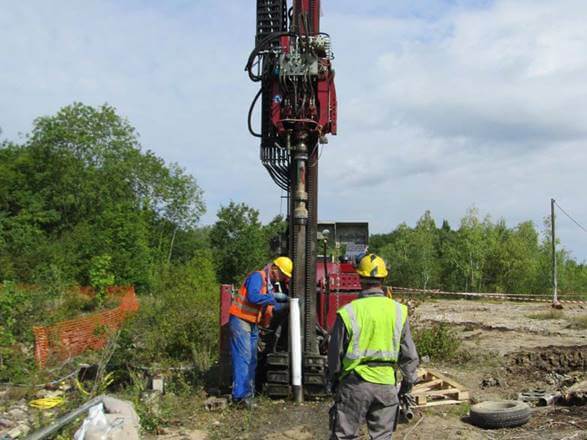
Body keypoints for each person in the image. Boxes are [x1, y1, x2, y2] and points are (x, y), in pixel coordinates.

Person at [328, 254, 419, 439]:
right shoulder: (398, 311)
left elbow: (335, 355)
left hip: (355, 385)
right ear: (384, 278)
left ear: (359, 278)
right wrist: (407, 385)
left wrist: (334, 381)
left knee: (344, 436)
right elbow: (409, 354)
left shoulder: (349, 312)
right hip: (386, 385)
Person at [228, 256, 293, 408]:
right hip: (240, 320)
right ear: (275, 268)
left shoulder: (269, 285)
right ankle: (239, 397)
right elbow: (254, 297)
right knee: (243, 359)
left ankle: (248, 395)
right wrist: (275, 298)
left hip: (252, 323)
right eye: (283, 274)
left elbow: (270, 307)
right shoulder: (258, 276)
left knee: (252, 360)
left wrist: (287, 306)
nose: (283, 278)